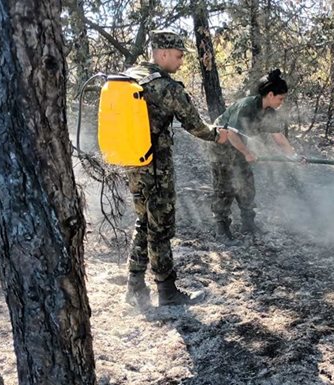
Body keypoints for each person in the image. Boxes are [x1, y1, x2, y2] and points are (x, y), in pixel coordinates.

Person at [122, 29, 236, 308]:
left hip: (133, 163)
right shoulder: (165, 87)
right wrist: (217, 135)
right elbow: (195, 125)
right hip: (156, 168)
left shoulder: (128, 77)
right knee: (160, 228)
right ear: (162, 53)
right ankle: (167, 291)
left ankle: (135, 287)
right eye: (177, 55)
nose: (181, 61)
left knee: (144, 222)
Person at [208, 69, 303, 243]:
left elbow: (279, 137)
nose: (282, 102)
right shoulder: (246, 106)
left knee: (246, 183)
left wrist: (294, 157)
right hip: (222, 144)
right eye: (280, 98)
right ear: (270, 94)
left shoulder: (269, 113)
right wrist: (247, 152)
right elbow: (230, 134)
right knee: (225, 186)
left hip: (239, 145)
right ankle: (221, 226)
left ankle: (248, 223)